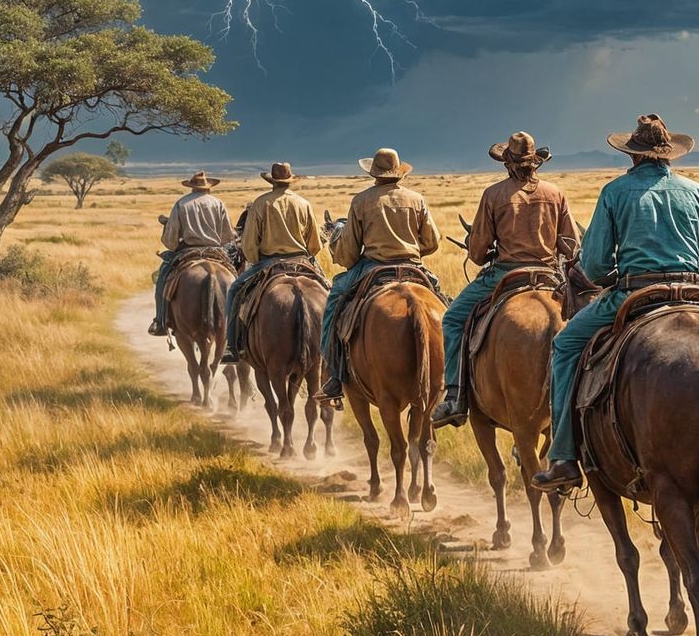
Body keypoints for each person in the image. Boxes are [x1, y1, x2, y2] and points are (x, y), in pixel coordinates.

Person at [533, 114, 699, 493]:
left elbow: (595, 264)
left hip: (633, 293)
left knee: (565, 345)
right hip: (694, 293)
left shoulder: (615, 192)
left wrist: (611, 273)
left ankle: (563, 456)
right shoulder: (697, 191)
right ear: (669, 155)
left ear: (633, 155)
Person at [431, 132, 579, 429]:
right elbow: (572, 246)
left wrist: (485, 250)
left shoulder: (494, 195)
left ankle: (456, 397)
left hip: (504, 275)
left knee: (453, 320)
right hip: (550, 276)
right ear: (536, 163)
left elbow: (476, 253)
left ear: (508, 164)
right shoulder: (555, 193)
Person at [318, 148, 441, 403]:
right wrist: (413, 250)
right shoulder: (416, 199)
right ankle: (454, 378)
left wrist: (343, 255)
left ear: (373, 173)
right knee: (443, 303)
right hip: (412, 267)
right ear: (399, 173)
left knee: (335, 301)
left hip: (372, 267)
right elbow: (432, 242)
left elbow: (350, 251)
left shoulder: (362, 200)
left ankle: (333, 374)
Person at [220, 163, 323, 366]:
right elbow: (315, 244)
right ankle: (332, 351)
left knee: (234, 290)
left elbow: (249, 244)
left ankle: (232, 345)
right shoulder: (304, 203)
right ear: (290, 181)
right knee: (327, 291)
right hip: (301, 261)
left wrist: (257, 260)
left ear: (272, 181)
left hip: (268, 262)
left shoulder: (260, 203)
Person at [148, 170, 236, 335]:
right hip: (216, 251)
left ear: (191, 188)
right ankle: (237, 326)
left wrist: (175, 243)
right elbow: (227, 236)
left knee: (164, 276)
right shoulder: (218, 203)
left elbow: (171, 240)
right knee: (236, 282)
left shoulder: (181, 204)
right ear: (208, 188)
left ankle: (160, 320)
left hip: (188, 250)